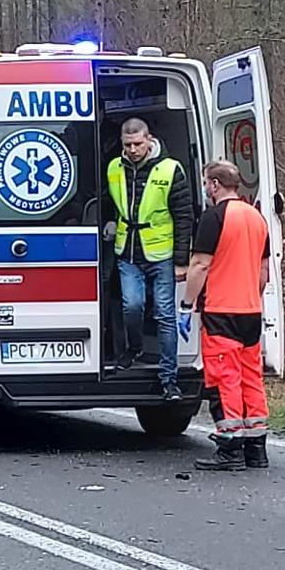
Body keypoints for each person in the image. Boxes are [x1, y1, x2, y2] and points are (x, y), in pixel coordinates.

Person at [181, 161, 272, 471]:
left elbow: (200, 265)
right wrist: (251, 294)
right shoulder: (257, 217)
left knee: (224, 379)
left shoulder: (214, 217)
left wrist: (187, 303)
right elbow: (263, 272)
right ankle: (256, 448)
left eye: (207, 183)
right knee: (251, 377)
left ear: (216, 185)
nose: (207, 189)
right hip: (250, 310)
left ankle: (230, 448)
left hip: (221, 310)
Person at [103, 118, 196, 398]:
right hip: (127, 250)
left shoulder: (170, 169)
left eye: (138, 144)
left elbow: (184, 217)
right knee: (132, 306)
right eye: (127, 144)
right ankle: (134, 347)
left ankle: (169, 379)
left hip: (162, 254)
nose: (132, 150)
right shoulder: (113, 168)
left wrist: (182, 261)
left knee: (165, 315)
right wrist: (108, 221)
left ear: (149, 140)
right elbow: (110, 201)